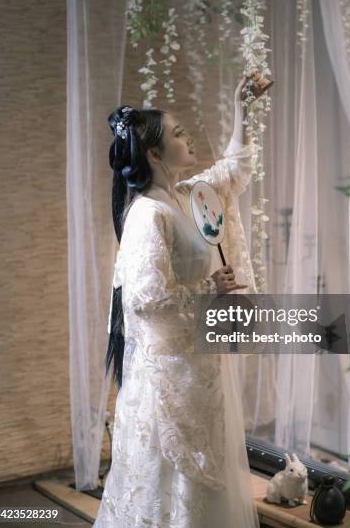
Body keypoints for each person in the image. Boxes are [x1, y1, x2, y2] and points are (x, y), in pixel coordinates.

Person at [93, 73, 270, 528]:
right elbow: (147, 299)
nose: (187, 137)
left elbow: (232, 171)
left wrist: (241, 110)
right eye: (177, 133)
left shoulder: (187, 197)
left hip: (200, 367)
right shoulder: (148, 215)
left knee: (209, 476)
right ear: (153, 154)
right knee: (173, 483)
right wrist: (212, 288)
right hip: (170, 377)